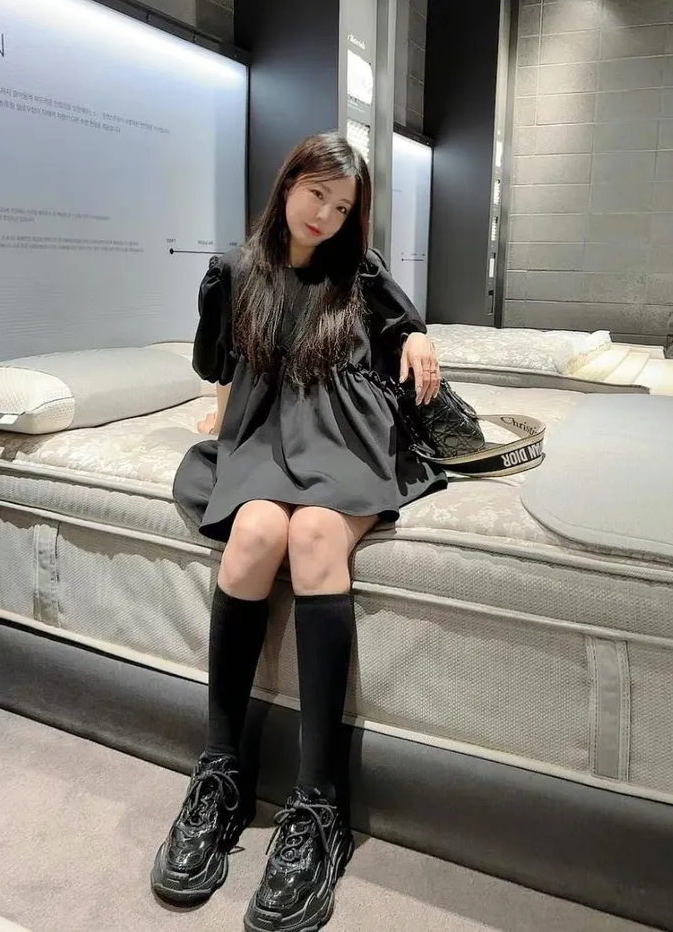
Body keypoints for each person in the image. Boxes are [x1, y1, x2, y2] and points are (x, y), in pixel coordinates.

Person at [151, 131, 446, 932]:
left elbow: (405, 331)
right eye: (317, 193)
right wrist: (222, 419)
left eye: (343, 206)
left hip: (347, 437)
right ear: (288, 185)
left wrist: (418, 336)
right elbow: (222, 365)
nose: (326, 214)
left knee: (315, 535)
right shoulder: (237, 271)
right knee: (254, 535)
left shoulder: (360, 273)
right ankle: (221, 771)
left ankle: (319, 802)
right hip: (264, 437)